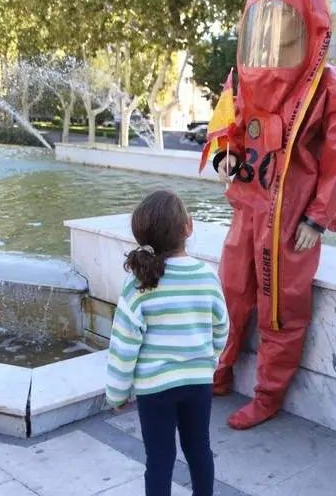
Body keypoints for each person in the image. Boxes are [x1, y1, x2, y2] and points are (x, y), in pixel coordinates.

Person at [208, 0, 336, 430]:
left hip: (290, 215)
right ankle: (218, 371)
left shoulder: (328, 86)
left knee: (280, 306)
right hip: (249, 206)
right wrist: (224, 157)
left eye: (286, 26)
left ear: (308, 30)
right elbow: (228, 128)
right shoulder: (246, 78)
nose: (274, 37)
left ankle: (267, 395)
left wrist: (316, 219)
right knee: (231, 292)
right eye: (267, 22)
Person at [106, 189, 229, 496]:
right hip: (197, 384)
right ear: (188, 226)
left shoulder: (138, 284)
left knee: (160, 459)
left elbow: (123, 346)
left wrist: (117, 393)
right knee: (199, 449)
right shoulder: (206, 275)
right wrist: (208, 361)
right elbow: (221, 327)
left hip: (155, 390)